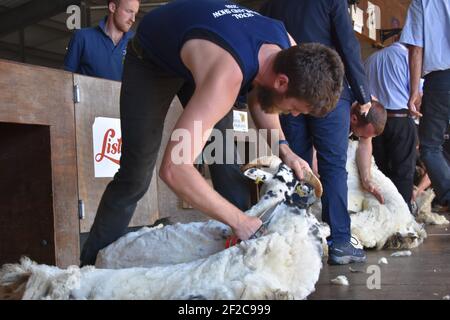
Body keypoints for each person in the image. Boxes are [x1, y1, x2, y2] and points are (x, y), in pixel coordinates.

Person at [79, 0, 345, 266]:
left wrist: (284, 150)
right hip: (154, 59)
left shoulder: (289, 50)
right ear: (282, 82)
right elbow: (175, 169)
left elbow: (261, 98)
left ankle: (242, 263)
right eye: (296, 108)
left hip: (207, 49)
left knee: (225, 163)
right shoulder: (226, 78)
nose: (294, 115)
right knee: (135, 175)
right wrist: (239, 221)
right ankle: (88, 271)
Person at [260, 0, 371, 265]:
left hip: (290, 92)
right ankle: (340, 241)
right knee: (332, 166)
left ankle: (296, 240)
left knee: (296, 164)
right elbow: (347, 44)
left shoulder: (270, 3)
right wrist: (363, 92)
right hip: (328, 92)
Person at [400, 0, 450, 210]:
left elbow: (416, 49)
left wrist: (414, 92)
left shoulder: (422, 2)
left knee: (430, 146)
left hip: (441, 81)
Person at [364, 41, 422, 213]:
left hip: (373, 121)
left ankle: (382, 214)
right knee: (403, 172)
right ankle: (402, 217)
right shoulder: (409, 58)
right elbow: (417, 96)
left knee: (379, 172)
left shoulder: (371, 59)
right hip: (400, 119)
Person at [64, 0, 140, 81]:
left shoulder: (136, 44)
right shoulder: (82, 37)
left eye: (135, 14)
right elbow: (66, 78)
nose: (133, 19)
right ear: (112, 7)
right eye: (129, 11)